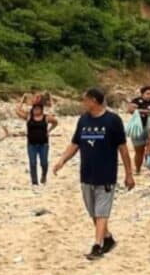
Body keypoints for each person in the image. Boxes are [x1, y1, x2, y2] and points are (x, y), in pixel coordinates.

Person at [53, 88, 135, 260]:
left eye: (85, 100)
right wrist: (62, 160)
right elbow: (75, 144)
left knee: (102, 211)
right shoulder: (83, 120)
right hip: (86, 174)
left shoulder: (113, 120)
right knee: (93, 212)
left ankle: (97, 245)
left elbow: (123, 148)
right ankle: (108, 238)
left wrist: (129, 174)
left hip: (106, 174)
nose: (83, 103)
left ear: (94, 101)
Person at [15, 97, 58, 187]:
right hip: (31, 144)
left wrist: (49, 131)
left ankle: (44, 175)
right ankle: (34, 182)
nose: (36, 110)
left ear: (41, 109)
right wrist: (22, 100)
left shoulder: (46, 117)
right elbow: (17, 111)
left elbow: (55, 122)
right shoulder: (29, 117)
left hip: (44, 144)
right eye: (35, 108)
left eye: (38, 108)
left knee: (44, 163)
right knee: (33, 163)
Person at [127, 85, 150, 175]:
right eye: (147, 93)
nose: (149, 95)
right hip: (138, 128)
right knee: (139, 150)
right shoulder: (136, 101)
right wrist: (147, 111)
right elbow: (130, 109)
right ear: (142, 94)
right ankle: (138, 169)